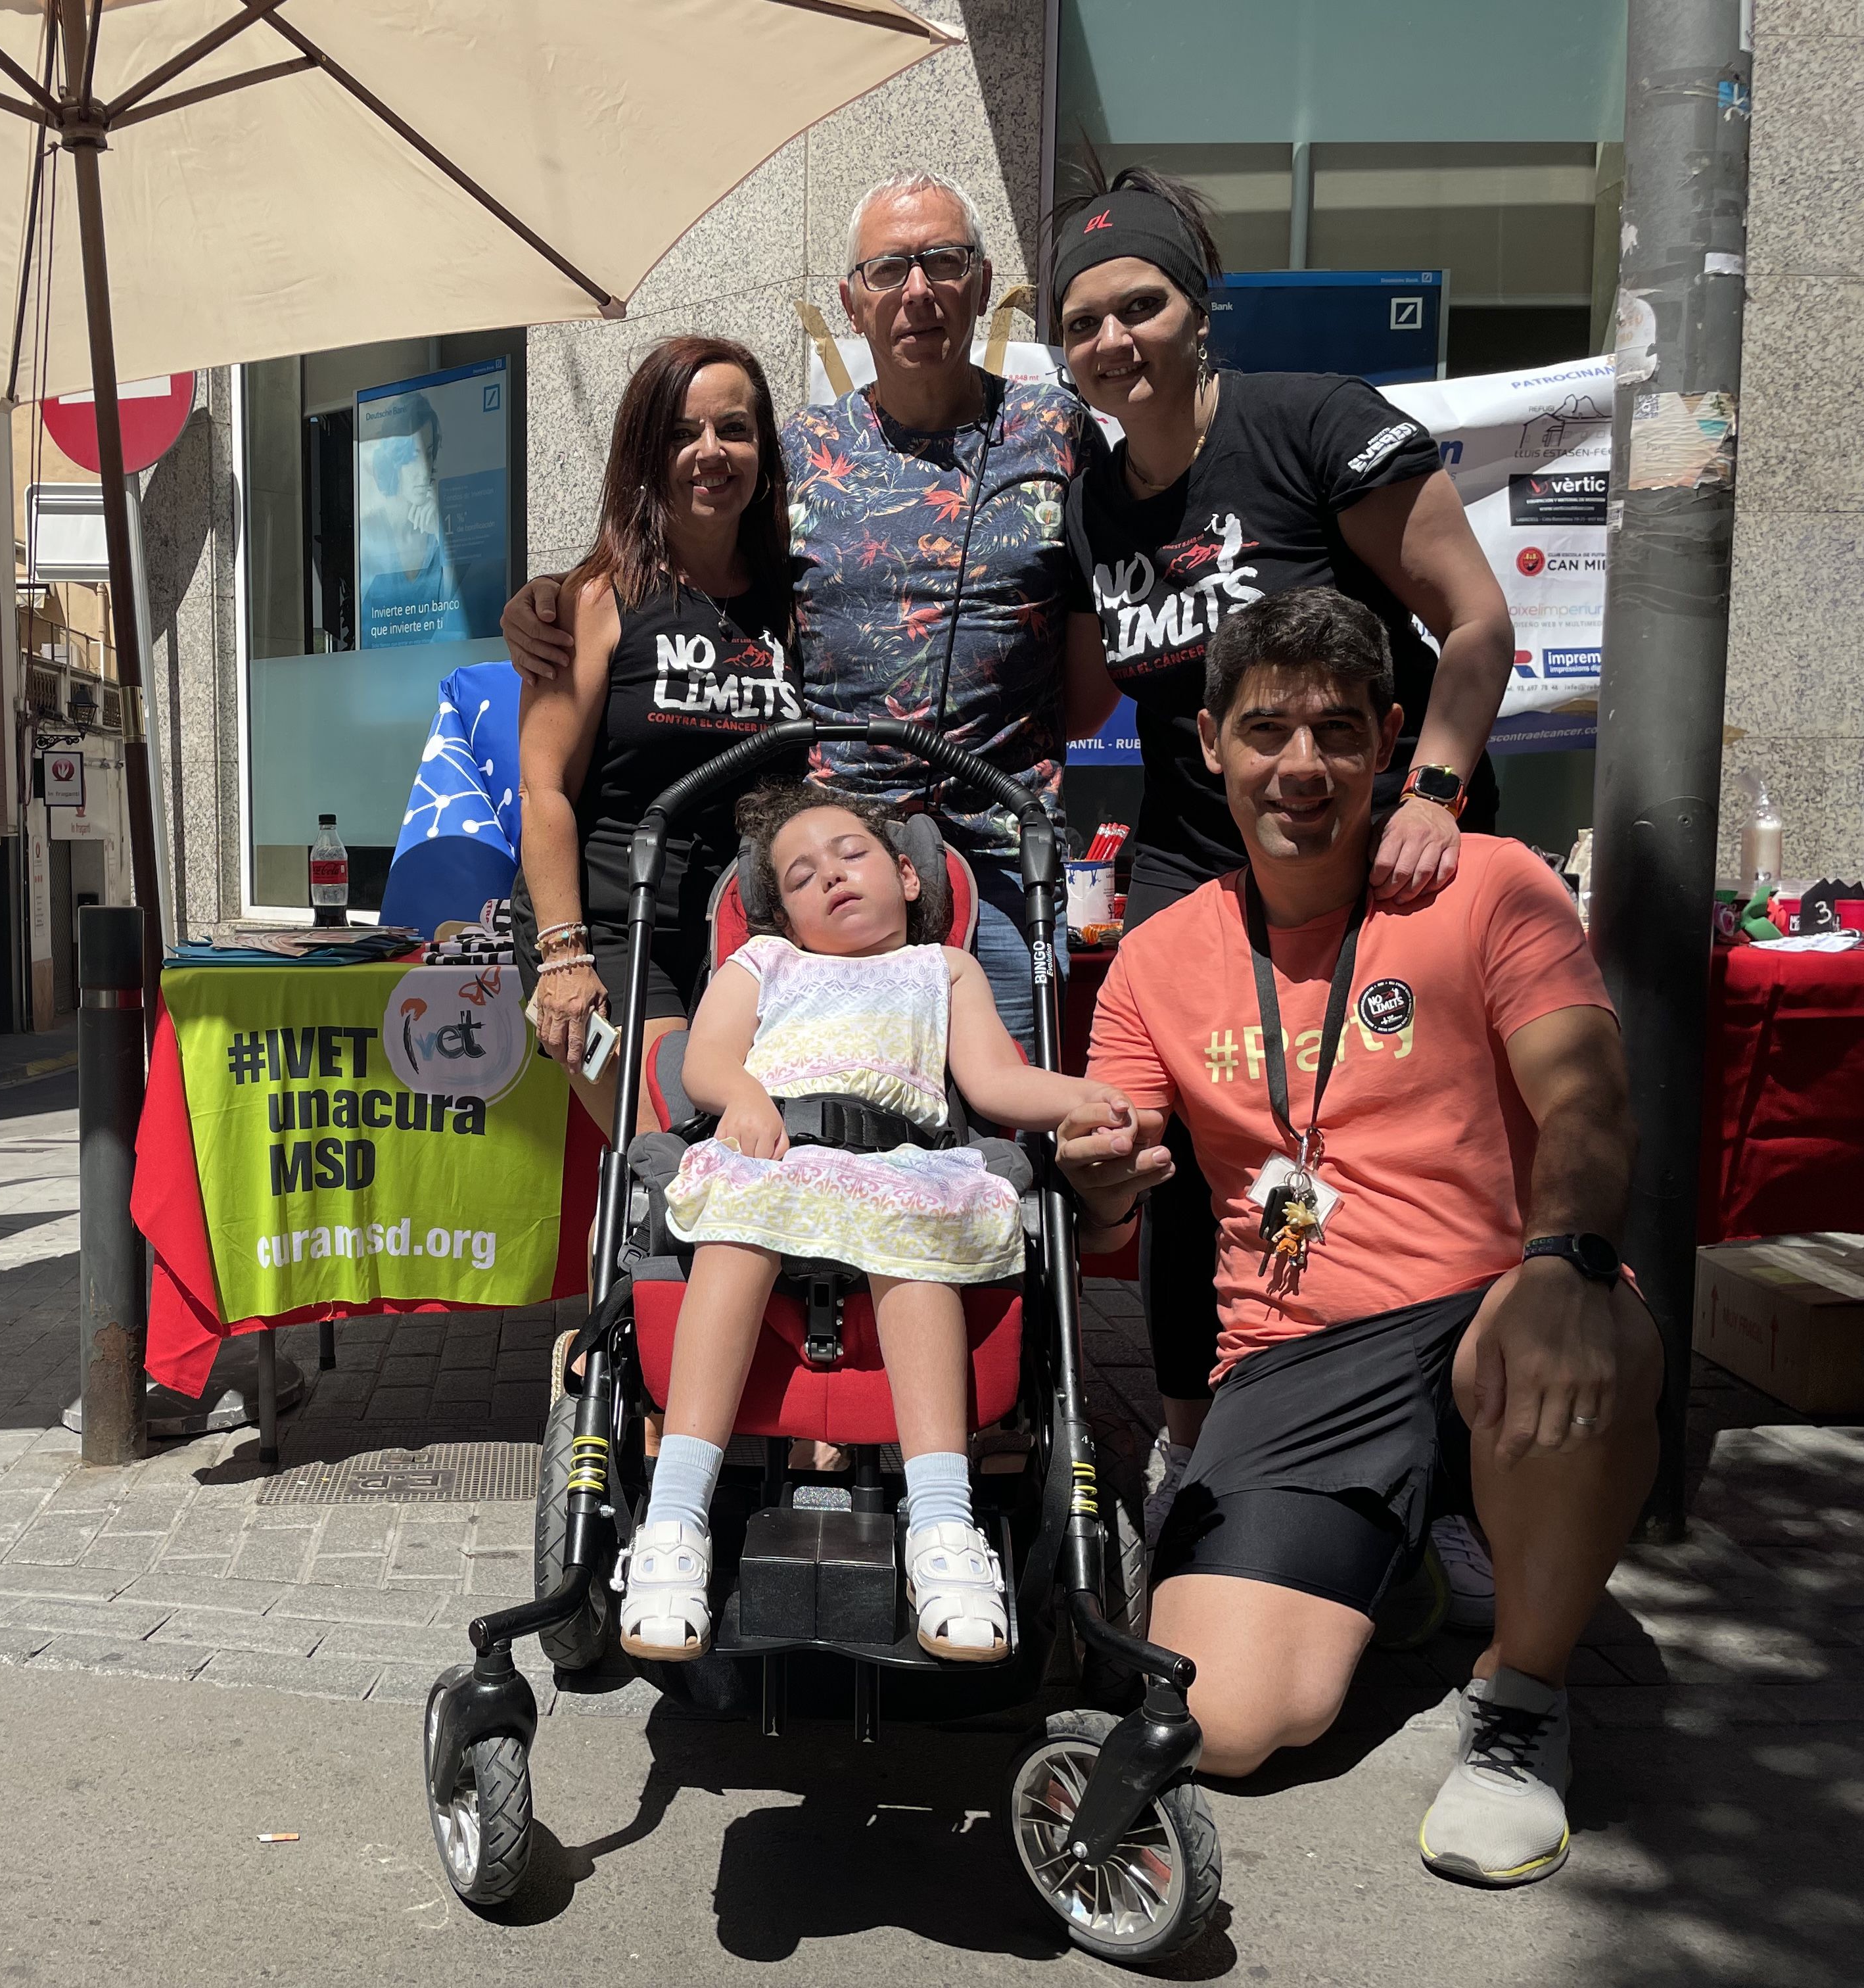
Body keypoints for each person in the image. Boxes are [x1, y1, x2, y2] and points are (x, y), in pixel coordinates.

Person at [1056, 588, 1658, 1887]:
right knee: (1219, 1727)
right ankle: (1397, 1571)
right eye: (1266, 730)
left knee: (1584, 1313)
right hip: (1298, 1354)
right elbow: (1111, 1187)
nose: (1302, 766)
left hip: (1486, 1304)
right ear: (1210, 744)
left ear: (1390, 741)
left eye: (1336, 731)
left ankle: (1522, 1704)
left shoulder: (1493, 883)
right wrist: (1105, 1175)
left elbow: (1588, 1100)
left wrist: (1563, 1264)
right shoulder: (1156, 956)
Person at [1047, 168, 1518, 1582]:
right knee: (1191, 1161)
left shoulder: (1309, 419)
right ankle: (1194, 1437)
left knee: (1416, 1139)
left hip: (1386, 835)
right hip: (1206, 858)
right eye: (1084, 323)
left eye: (1143, 303)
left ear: (1201, 310)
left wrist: (1431, 793)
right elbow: (1075, 699)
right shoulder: (1090, 502)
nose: (1116, 339)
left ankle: (1452, 1460)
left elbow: (1476, 620)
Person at [507, 172, 1113, 1053]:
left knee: (1007, 1143)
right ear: (851, 303)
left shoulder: (1060, 432)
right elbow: (685, 548)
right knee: (827, 1132)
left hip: (1001, 856)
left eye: (943, 262)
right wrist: (545, 596)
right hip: (828, 871)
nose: (918, 291)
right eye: (888, 269)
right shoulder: (799, 454)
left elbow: (1089, 685)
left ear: (983, 284)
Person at [621, 784, 1131, 1665]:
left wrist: (1078, 1096)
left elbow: (993, 1084)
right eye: (803, 876)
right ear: (780, 913)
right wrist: (743, 1096)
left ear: (906, 874)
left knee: (918, 1231)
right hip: (781, 1142)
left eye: (851, 855)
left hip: (901, 1161)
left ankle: (943, 1526)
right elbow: (704, 1058)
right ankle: (674, 1518)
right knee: (739, 1221)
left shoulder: (944, 970)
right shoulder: (766, 966)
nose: (832, 878)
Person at [515, 335, 804, 1136]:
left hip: (747, 937)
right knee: (671, 1153)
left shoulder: (792, 601)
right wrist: (564, 957)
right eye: (683, 433)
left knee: (764, 1158)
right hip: (610, 930)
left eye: (734, 430)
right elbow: (543, 789)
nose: (710, 453)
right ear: (647, 452)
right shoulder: (595, 600)